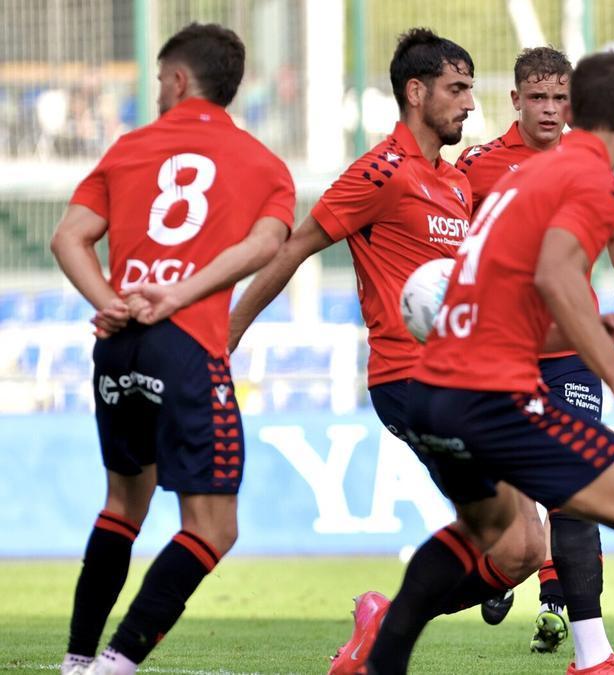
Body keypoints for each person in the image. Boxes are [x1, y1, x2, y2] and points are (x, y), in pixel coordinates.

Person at [367, 52, 614, 675]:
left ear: (572, 108)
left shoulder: (515, 178)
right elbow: (551, 272)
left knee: (486, 531)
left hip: (433, 384)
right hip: (491, 392)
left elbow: (496, 299)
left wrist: (590, 328)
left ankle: (380, 658)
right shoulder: (587, 177)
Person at [224, 28, 546, 674]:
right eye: (457, 90)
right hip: (412, 379)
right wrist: (224, 339)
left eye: (471, 91)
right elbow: (295, 246)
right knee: (505, 534)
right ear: (415, 91)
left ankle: (381, 622)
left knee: (522, 549)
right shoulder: (382, 172)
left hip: (468, 379)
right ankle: (385, 639)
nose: (469, 105)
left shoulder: (454, 184)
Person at [50, 23, 296, 675]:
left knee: (122, 505)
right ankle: (116, 662)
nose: (158, 92)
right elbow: (266, 245)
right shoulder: (263, 165)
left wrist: (107, 298)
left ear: (179, 80)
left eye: (160, 81)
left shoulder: (129, 148)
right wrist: (181, 292)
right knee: (213, 527)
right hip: (184, 344)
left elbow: (68, 237)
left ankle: (76, 660)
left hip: (118, 346)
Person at [455, 46, 614, 669]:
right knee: (510, 502)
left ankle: (591, 651)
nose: (549, 109)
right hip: (502, 352)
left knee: (574, 489)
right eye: (536, 98)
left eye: (559, 99)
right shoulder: (477, 167)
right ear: (515, 99)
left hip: (570, 350)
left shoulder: (588, 164)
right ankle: (510, 572)